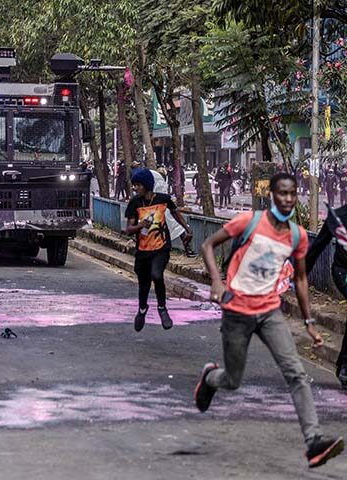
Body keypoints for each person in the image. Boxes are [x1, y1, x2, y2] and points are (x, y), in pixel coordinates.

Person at [194, 172, 344, 469]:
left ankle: (314, 441)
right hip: (237, 311)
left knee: (296, 373)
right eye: (282, 194)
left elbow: (300, 278)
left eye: (292, 194)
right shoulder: (248, 222)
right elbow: (208, 245)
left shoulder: (298, 235)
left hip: (270, 312)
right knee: (232, 380)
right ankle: (210, 378)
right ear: (272, 195)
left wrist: (309, 321)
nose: (288, 199)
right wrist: (216, 282)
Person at [125, 168, 193, 332]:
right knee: (144, 285)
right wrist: (140, 225)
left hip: (161, 247)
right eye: (134, 185)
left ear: (147, 185)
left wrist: (187, 230)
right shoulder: (135, 203)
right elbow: (129, 229)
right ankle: (142, 310)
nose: (136, 188)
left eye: (138, 185)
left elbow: (175, 213)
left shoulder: (163, 200)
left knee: (157, 275)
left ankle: (162, 308)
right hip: (143, 250)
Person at [306, 202, 347, 387]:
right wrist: (300, 276)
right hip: (343, 272)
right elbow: (317, 246)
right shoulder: (337, 217)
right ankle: (345, 365)